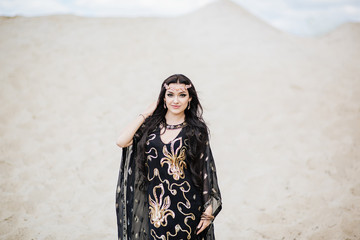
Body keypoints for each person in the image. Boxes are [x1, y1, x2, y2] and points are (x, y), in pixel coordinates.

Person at [115, 74, 222, 240]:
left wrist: (208, 210)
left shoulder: (196, 130)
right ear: (163, 99)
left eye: (182, 95)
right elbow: (121, 141)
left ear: (190, 99)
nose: (176, 100)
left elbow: (205, 168)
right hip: (156, 209)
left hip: (188, 207)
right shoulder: (149, 128)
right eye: (170, 94)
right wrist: (146, 113)